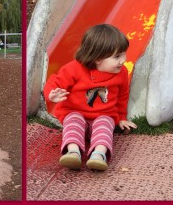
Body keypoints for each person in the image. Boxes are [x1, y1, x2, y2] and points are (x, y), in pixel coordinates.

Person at [43, 24, 137, 171]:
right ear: (98, 59)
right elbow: (55, 81)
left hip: (103, 115)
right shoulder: (74, 69)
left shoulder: (121, 73)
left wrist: (121, 118)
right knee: (74, 121)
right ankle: (73, 152)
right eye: (117, 56)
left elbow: (122, 96)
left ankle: (98, 155)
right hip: (75, 113)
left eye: (124, 54)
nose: (123, 60)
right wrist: (51, 94)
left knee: (105, 124)